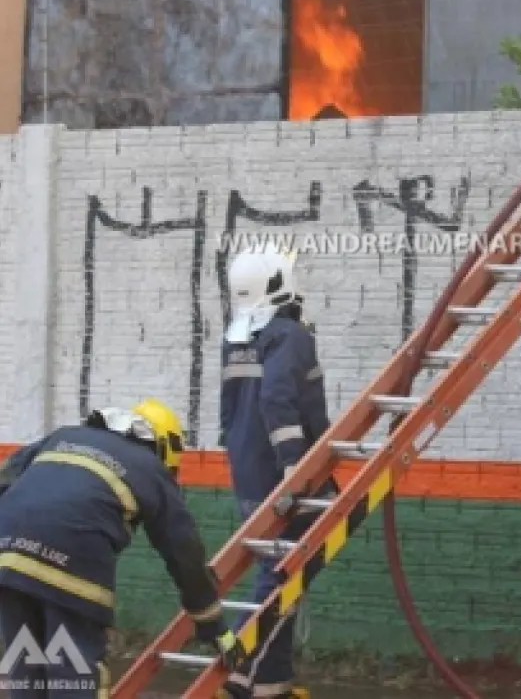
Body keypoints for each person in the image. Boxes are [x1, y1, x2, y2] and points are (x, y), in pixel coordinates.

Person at [0, 399, 245, 699]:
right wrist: (213, 625)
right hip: (74, 563)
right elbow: (184, 553)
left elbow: (6, 478)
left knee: (27, 672)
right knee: (75, 674)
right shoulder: (150, 469)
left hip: (7, 558)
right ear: (164, 445)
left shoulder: (64, 436)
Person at [219, 247, 335, 699]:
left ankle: (272, 679)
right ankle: (243, 668)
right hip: (286, 475)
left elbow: (229, 414)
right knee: (283, 575)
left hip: (248, 473)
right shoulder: (289, 335)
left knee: (282, 572)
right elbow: (278, 400)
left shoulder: (235, 337)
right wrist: (294, 466)